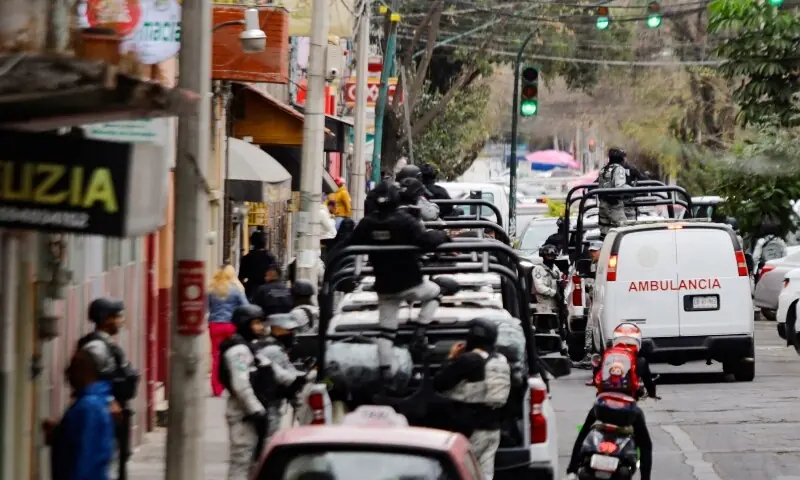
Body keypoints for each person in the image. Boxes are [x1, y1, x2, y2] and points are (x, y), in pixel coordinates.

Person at [348, 181, 451, 382]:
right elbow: (426, 241)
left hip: (385, 288)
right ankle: (420, 331)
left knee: (386, 333)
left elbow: (350, 243)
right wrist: (444, 237)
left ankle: (387, 375)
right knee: (437, 292)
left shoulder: (367, 223)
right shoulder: (404, 221)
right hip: (413, 284)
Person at [566, 323, 657, 480]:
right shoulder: (640, 361)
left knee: (584, 432)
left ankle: (572, 470)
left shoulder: (607, 356)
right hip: (628, 411)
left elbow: (596, 378)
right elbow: (649, 383)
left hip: (602, 406)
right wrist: (653, 394)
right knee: (646, 445)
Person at [432, 318, 511, 480]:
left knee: (464, 474)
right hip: (493, 428)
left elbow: (439, 383)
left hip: (471, 427)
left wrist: (451, 357)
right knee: (485, 474)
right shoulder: (501, 360)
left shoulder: (469, 360)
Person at [77, 298, 140, 480]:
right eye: (117, 317)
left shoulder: (107, 345)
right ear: (106, 319)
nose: (120, 321)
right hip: (105, 413)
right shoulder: (96, 346)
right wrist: (109, 400)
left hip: (114, 413)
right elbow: (94, 379)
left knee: (117, 462)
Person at [45, 349, 115, 480]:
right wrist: (59, 434)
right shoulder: (94, 403)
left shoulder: (88, 407)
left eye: (72, 369)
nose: (67, 375)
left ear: (83, 372)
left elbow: (85, 458)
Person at [219, 304, 269, 479]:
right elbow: (241, 385)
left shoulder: (248, 347)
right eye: (256, 323)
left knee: (252, 463)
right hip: (243, 415)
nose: (260, 327)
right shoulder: (238, 351)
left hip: (249, 414)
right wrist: (256, 410)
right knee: (241, 462)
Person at [253, 314, 309, 449]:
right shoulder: (273, 350)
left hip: (267, 401)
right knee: (269, 439)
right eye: (288, 330)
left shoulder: (266, 346)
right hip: (269, 402)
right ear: (276, 330)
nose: (292, 334)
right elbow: (286, 376)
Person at [208, 264, 250, 397]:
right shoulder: (236, 289)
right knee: (236, 356)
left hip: (215, 325)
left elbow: (207, 307)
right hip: (231, 326)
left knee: (216, 357)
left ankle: (216, 388)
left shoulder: (212, 289)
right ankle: (236, 386)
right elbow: (246, 306)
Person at [579, 241, 603, 367]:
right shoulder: (594, 264)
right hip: (595, 299)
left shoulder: (603, 264)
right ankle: (589, 354)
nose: (592, 253)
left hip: (601, 301)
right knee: (590, 328)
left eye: (595, 251)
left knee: (592, 328)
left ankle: (591, 355)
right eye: (591, 251)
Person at [596, 148, 630, 238]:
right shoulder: (619, 169)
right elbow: (620, 187)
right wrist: (630, 190)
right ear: (621, 158)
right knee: (625, 230)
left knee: (605, 232)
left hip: (603, 205)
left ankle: (604, 249)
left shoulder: (604, 169)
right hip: (614, 205)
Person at [239, 230, 278, 299]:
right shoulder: (270, 257)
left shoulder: (247, 258)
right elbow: (276, 276)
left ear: (252, 242)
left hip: (252, 291)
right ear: (265, 243)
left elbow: (241, 277)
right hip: (267, 292)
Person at [531, 244, 563, 314]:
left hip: (556, 305)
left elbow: (561, 282)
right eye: (548, 256)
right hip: (544, 307)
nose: (550, 258)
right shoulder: (538, 269)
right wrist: (554, 293)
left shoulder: (556, 269)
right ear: (543, 257)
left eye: (553, 256)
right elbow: (539, 287)